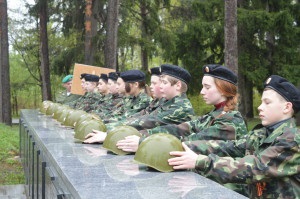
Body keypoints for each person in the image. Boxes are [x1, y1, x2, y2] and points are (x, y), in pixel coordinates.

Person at [168, 75, 300, 198]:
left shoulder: (293, 140)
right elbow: (229, 147)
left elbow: (254, 167)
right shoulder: (261, 133)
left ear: (286, 107)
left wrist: (200, 161)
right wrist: (182, 147)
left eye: (267, 102)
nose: (260, 107)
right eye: (261, 102)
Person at [115, 64, 247, 152]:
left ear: (223, 90)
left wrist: (143, 142)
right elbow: (179, 129)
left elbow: (191, 141)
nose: (201, 92)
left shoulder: (230, 121)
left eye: (207, 87)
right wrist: (139, 135)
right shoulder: (214, 114)